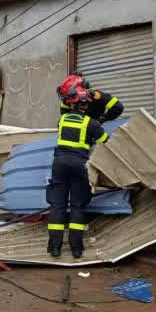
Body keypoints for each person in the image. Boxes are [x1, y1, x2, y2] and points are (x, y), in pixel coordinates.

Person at [47, 78, 110, 258]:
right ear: (85, 105)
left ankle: (55, 248)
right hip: (78, 165)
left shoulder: (63, 120)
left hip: (59, 163)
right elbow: (104, 140)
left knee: (57, 205)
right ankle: (76, 249)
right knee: (77, 206)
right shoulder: (91, 123)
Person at [57, 74, 124, 123]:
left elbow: (118, 107)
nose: (67, 101)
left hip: (95, 132)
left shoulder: (96, 95)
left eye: (68, 97)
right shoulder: (66, 99)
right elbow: (64, 116)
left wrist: (101, 120)